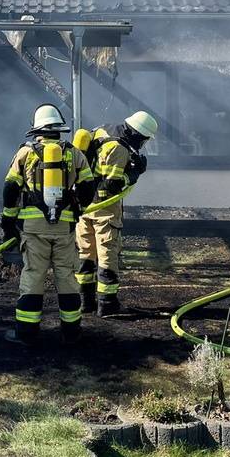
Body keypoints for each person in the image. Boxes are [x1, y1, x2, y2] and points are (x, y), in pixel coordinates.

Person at [1, 104, 96, 346]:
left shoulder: (26, 153)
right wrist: (79, 209)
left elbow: (10, 188)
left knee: (33, 275)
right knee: (66, 276)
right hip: (64, 229)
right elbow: (87, 186)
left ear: (37, 129)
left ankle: (26, 332)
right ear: (59, 128)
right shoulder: (74, 154)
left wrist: (8, 221)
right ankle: (72, 332)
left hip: (34, 229)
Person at [72, 111, 157, 317]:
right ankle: (107, 304)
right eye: (144, 139)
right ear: (138, 134)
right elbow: (111, 186)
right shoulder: (118, 148)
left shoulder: (103, 130)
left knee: (85, 252)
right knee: (107, 252)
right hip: (104, 209)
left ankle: (85, 301)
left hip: (83, 206)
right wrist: (134, 174)